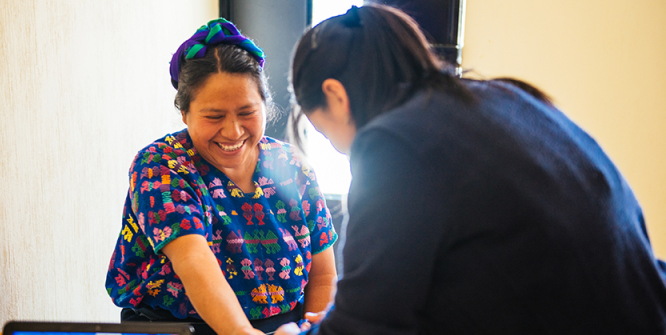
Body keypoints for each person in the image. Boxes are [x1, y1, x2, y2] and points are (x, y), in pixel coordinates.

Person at [277, 4, 666, 334]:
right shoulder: (504, 96)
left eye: (323, 132)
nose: (338, 149)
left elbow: (367, 323)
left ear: (336, 95)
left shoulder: (392, 145)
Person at [105, 18, 338, 335]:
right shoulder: (161, 166)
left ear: (265, 106)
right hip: (180, 328)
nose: (233, 131)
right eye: (214, 116)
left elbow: (322, 274)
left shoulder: (292, 165)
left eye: (247, 112)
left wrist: (312, 330)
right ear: (185, 113)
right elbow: (193, 262)